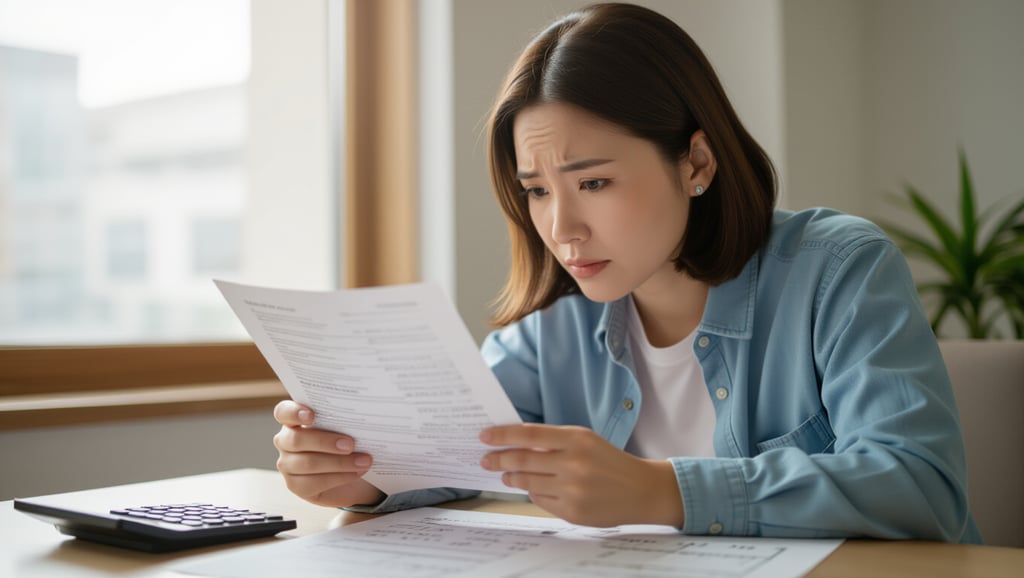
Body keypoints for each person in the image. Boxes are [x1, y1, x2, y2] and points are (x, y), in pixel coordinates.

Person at [273, 2, 981, 542]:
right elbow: (458, 459)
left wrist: (661, 491)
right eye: (538, 190)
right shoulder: (552, 324)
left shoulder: (837, 269)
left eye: (596, 183)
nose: (561, 229)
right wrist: (362, 478)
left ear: (696, 163)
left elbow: (922, 488)